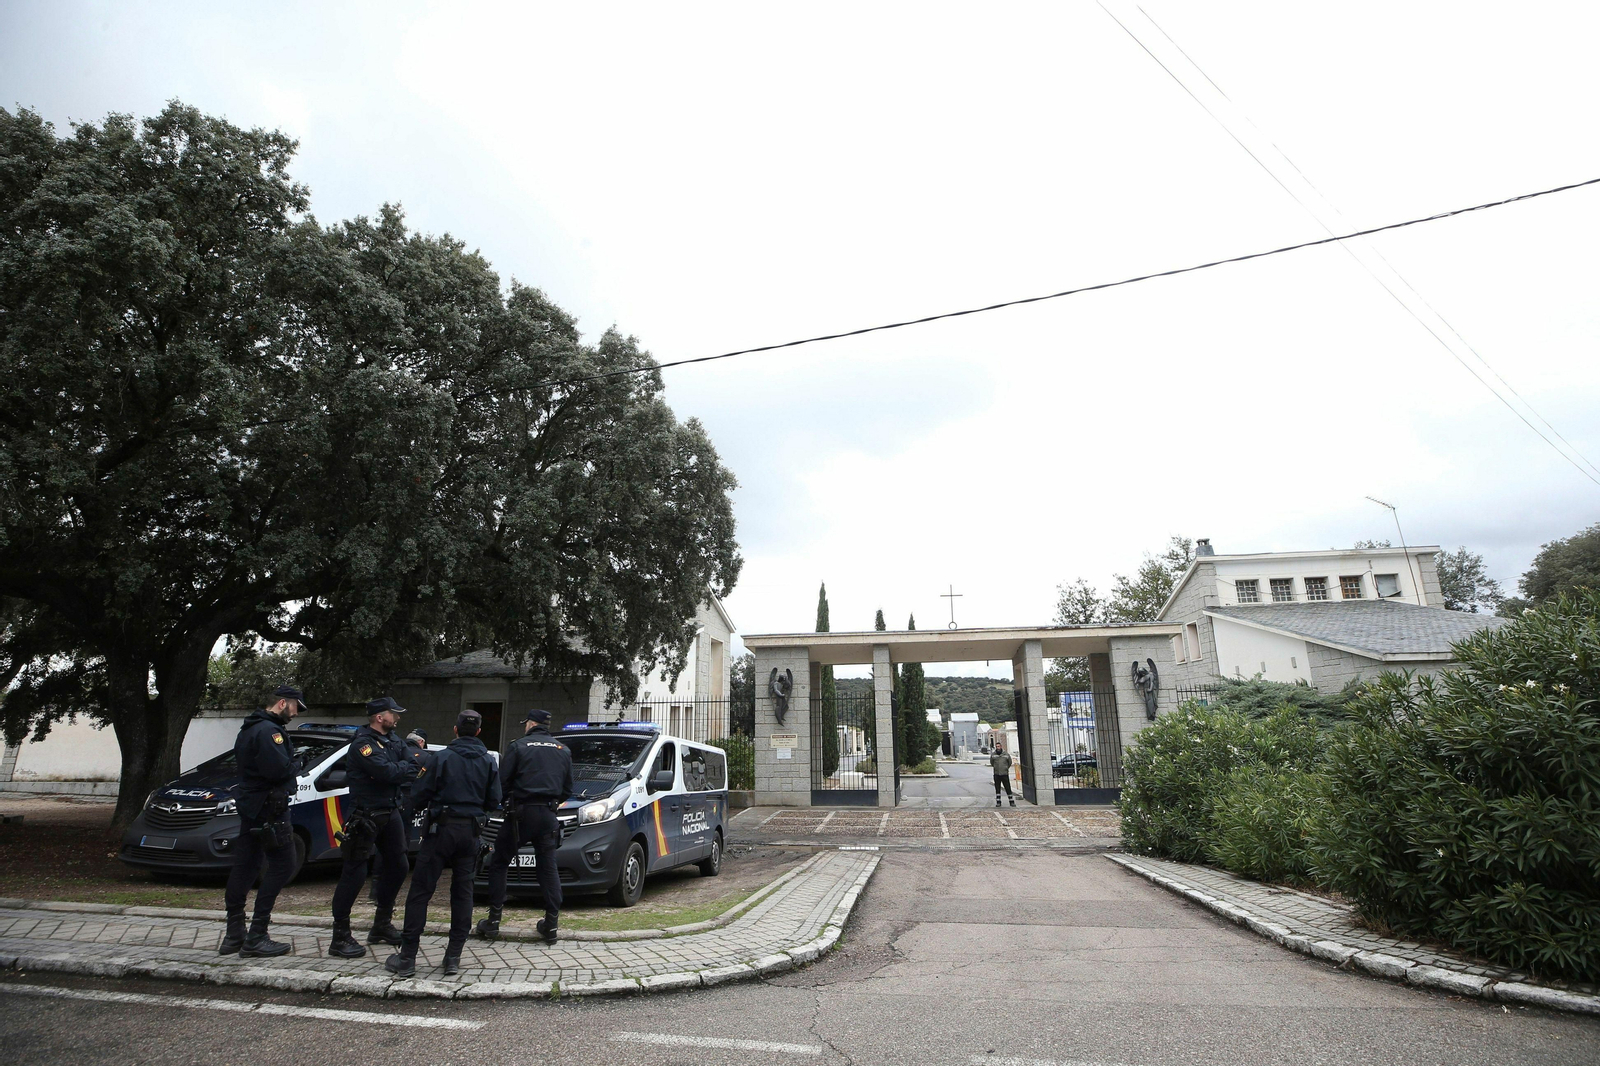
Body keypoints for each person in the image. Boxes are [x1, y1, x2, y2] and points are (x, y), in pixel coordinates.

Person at [385, 710, 500, 978]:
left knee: (421, 892)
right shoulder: (488, 761)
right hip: (471, 833)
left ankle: (408, 957)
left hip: (441, 830)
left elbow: (420, 792)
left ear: (455, 730)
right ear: (479, 732)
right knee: (463, 895)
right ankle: (452, 958)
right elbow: (494, 800)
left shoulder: (442, 758)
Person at [327, 696, 420, 958]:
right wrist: (398, 769)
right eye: (394, 713)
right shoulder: (363, 744)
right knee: (354, 873)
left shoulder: (394, 740)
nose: (398, 717)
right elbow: (388, 773)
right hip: (365, 816)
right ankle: (340, 935)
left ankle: (381, 924)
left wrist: (397, 768)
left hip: (389, 812)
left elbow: (413, 766)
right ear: (380, 717)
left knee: (399, 865)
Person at [476, 708, 573, 944]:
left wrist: (510, 802)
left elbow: (503, 782)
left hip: (519, 814)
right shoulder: (563, 750)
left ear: (531, 724)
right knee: (548, 868)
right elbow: (568, 788)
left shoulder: (518, 746)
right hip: (548, 815)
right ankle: (551, 925)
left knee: (499, 862)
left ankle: (494, 921)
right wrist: (551, 804)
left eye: (525, 723)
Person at [220, 684, 303, 957]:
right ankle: (257, 934)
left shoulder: (250, 728)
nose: (295, 713)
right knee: (283, 865)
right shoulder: (269, 732)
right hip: (270, 808)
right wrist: (296, 764)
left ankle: (235, 934)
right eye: (294, 706)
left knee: (247, 865)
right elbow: (279, 769)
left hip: (252, 807)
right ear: (282, 703)